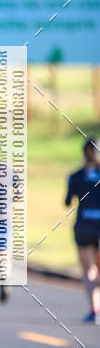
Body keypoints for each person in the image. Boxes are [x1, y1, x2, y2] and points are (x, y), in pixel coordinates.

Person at [66, 137, 100, 323]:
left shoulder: (76, 175)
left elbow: (67, 201)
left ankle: (94, 310)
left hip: (83, 226)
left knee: (88, 271)